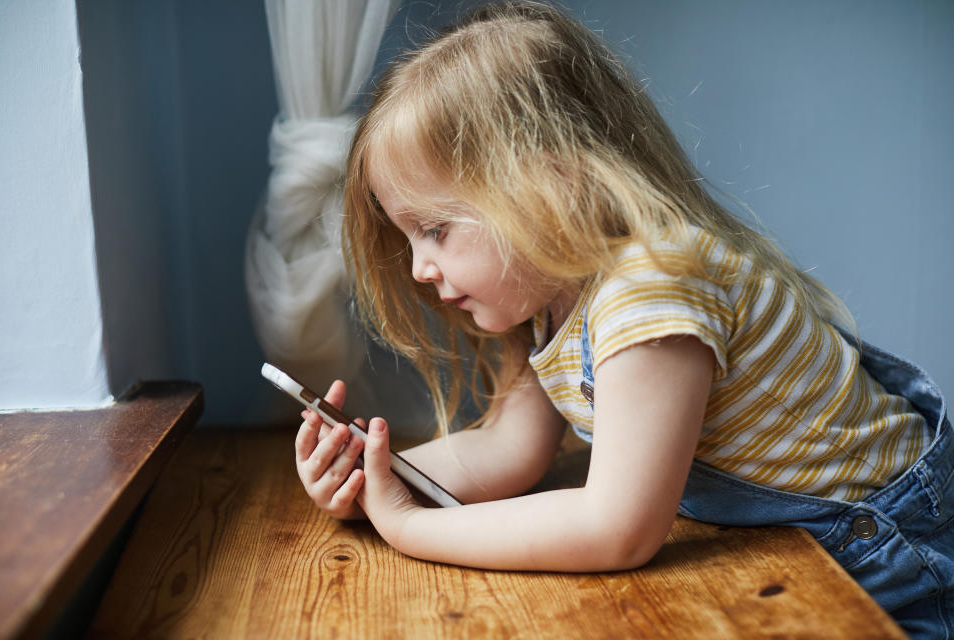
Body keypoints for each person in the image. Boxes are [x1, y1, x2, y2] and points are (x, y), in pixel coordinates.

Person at [293, 2, 952, 635]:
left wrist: (410, 528)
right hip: (791, 546)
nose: (418, 269)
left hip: (881, 553)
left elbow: (618, 527)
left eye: (435, 229)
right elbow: (507, 449)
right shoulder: (547, 294)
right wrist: (376, 475)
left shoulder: (650, 288)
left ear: (551, 182)